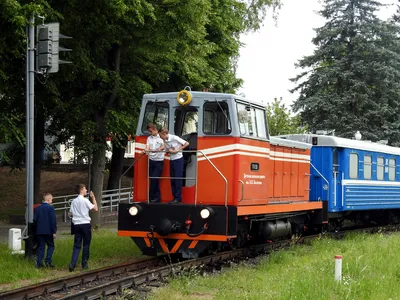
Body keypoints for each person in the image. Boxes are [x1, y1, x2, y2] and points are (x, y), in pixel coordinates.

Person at [68, 184, 98, 272]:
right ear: (81, 190)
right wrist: (93, 198)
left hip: (76, 225)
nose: (86, 190)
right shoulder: (85, 200)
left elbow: (70, 214)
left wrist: (76, 214)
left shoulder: (73, 201)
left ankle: (72, 264)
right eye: (85, 189)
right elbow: (95, 209)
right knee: (86, 244)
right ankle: (84, 264)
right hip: (85, 224)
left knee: (77, 245)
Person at [158, 128, 189, 203]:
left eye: (160, 135)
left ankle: (178, 197)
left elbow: (186, 143)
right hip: (171, 160)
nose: (160, 137)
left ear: (164, 134)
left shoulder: (174, 137)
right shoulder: (165, 141)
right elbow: (166, 150)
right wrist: (168, 151)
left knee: (178, 179)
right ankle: (174, 197)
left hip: (178, 159)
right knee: (172, 179)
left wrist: (177, 150)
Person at [33, 193, 57, 268]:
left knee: (41, 247)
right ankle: (48, 261)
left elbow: (34, 219)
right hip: (48, 231)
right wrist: (54, 231)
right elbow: (53, 221)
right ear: (49, 199)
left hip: (39, 231)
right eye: (51, 199)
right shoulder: (51, 208)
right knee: (51, 246)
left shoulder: (38, 208)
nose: (52, 201)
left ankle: (39, 263)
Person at [143, 123, 165, 203]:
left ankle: (151, 196)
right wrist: (146, 150)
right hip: (151, 160)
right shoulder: (149, 138)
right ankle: (157, 197)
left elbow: (163, 146)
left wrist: (158, 149)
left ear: (155, 129)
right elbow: (147, 146)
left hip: (159, 161)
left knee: (154, 178)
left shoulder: (161, 137)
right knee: (153, 179)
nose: (149, 133)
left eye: (150, 131)